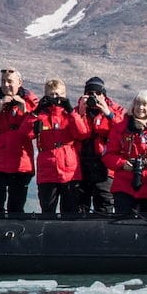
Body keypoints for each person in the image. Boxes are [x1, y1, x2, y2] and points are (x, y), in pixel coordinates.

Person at [0, 68, 38, 215]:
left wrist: (25, 111)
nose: (6, 85)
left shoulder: (31, 100)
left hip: (20, 163)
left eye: (10, 81)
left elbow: (34, 133)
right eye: (3, 81)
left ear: (19, 83)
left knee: (16, 208)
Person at [103, 90, 147, 216]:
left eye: (145, 105)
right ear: (133, 106)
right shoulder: (120, 129)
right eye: (138, 104)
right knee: (123, 222)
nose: (141, 108)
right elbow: (108, 155)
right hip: (124, 185)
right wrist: (123, 164)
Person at [29, 79, 89, 216]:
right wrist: (35, 112)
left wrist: (71, 112)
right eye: (51, 95)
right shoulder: (40, 116)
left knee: (70, 210)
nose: (55, 98)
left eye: (58, 95)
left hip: (69, 170)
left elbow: (82, 133)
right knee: (47, 209)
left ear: (64, 95)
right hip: (47, 170)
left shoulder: (71, 115)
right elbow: (26, 134)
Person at [73, 76, 125, 214]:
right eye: (90, 94)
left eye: (98, 94)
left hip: (104, 167)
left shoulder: (115, 110)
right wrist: (80, 113)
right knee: (79, 206)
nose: (94, 97)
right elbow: (73, 132)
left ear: (104, 95)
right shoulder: (77, 111)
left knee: (104, 204)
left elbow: (123, 130)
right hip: (81, 165)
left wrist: (108, 113)